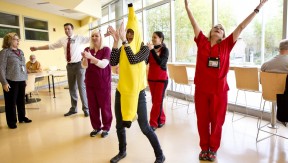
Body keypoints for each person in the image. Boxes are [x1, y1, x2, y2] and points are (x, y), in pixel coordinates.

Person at [185, 0, 267, 161]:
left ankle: (213, 149)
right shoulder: (201, 41)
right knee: (202, 120)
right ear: (210, 32)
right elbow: (193, 23)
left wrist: (258, 8)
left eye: (221, 29)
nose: (218, 28)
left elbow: (242, 26)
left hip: (219, 91)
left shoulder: (227, 45)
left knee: (217, 122)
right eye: (216, 27)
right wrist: (187, 8)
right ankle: (204, 148)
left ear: (223, 35)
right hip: (201, 89)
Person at [108, 3, 165, 163]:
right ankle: (122, 151)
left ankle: (160, 155)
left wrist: (124, 41)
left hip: (138, 92)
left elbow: (133, 60)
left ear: (137, 33)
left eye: (132, 33)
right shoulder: (123, 46)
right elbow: (113, 62)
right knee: (119, 124)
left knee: (144, 127)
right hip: (121, 90)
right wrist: (116, 41)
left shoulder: (144, 48)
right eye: (128, 33)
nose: (130, 35)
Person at [30, 23, 89, 117]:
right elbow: (51, 46)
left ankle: (86, 109)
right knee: (72, 88)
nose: (67, 30)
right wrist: (37, 48)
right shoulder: (63, 40)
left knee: (81, 87)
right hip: (69, 66)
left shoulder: (79, 38)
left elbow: (93, 38)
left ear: (72, 29)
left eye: (68, 29)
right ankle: (73, 109)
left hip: (79, 65)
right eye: (65, 29)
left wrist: (105, 35)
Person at [81, 29, 112, 138]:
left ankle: (106, 127)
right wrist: (85, 58)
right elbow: (84, 66)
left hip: (103, 83)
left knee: (105, 106)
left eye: (96, 36)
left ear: (100, 37)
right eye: (92, 36)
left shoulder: (106, 49)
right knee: (92, 106)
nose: (94, 38)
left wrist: (91, 57)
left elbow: (103, 64)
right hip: (90, 82)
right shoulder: (87, 49)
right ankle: (96, 127)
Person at [0, 32, 32, 129]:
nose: (18, 41)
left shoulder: (20, 51)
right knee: (11, 103)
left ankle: (22, 117)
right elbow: (1, 68)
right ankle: (11, 122)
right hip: (11, 80)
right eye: (16, 39)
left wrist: (25, 78)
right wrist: (4, 82)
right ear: (9, 41)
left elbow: (23, 66)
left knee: (21, 100)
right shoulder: (5, 52)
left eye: (18, 39)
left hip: (21, 79)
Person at [146, 31, 169, 131]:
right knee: (155, 101)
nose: (153, 39)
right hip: (151, 79)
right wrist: (146, 51)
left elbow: (160, 62)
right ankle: (162, 119)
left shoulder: (165, 50)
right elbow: (146, 61)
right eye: (152, 37)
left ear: (161, 39)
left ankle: (153, 123)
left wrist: (151, 51)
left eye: (155, 37)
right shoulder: (150, 50)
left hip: (161, 79)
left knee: (157, 102)